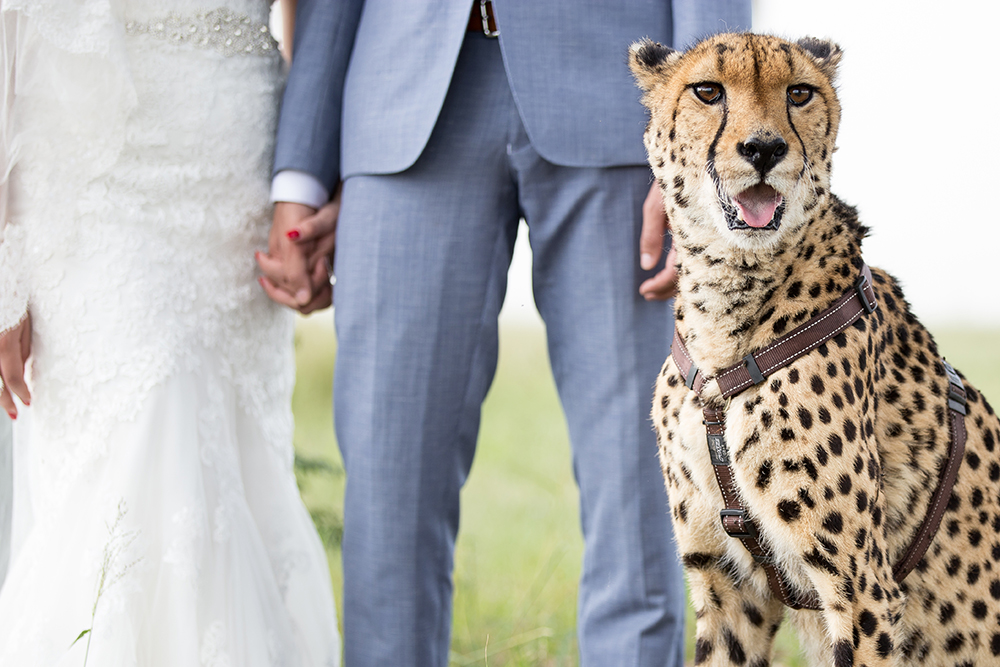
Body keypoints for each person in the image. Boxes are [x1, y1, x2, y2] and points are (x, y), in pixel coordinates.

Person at [258, 1, 752, 665]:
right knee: (387, 493)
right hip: (399, 95)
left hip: (621, 98)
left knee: (637, 492)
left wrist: (706, 129)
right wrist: (301, 169)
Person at [0, 1, 340, 664]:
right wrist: (4, 261)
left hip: (240, 157)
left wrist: (311, 170)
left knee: (240, 468)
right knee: (144, 429)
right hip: (95, 160)